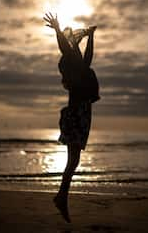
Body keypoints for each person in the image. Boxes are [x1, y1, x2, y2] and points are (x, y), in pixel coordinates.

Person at [43, 12, 100, 223]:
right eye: (74, 43)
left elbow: (89, 56)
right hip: (76, 115)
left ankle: (61, 197)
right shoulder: (71, 64)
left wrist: (92, 37)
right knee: (73, 161)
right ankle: (61, 198)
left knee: (74, 161)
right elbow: (64, 47)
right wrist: (58, 30)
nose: (75, 44)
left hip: (83, 114)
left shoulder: (82, 67)